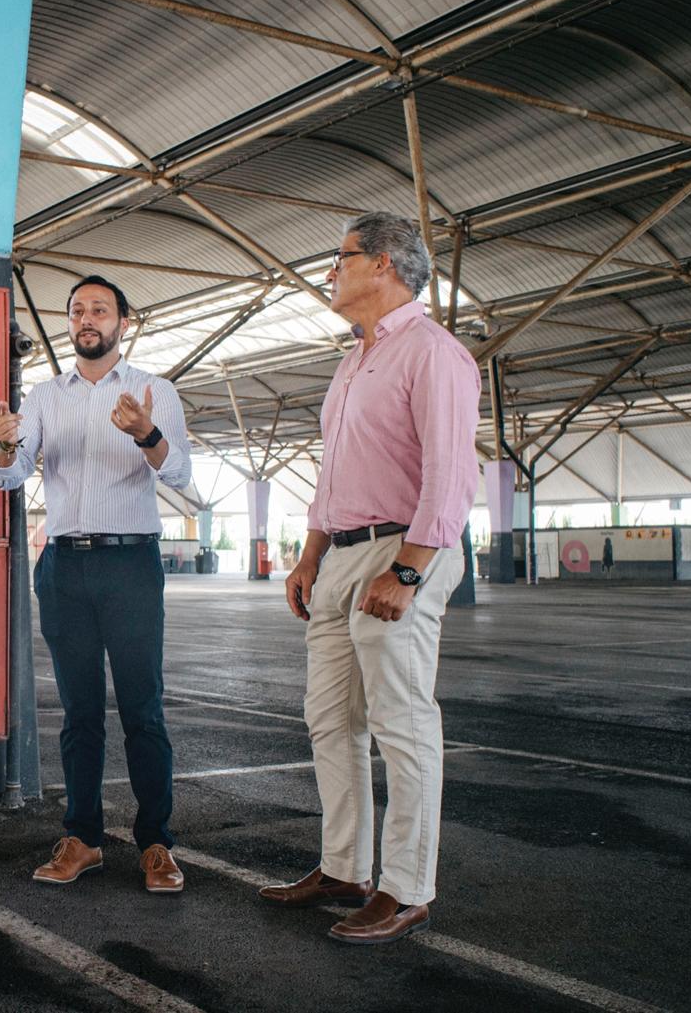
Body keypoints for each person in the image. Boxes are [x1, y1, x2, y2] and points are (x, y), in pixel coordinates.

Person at [262, 212, 480, 944]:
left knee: (401, 720)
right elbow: (333, 475)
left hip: (402, 551)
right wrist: (309, 553)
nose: (332, 271)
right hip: (342, 553)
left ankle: (407, 886)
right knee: (330, 717)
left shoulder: (434, 354)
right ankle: (344, 865)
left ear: (383, 263)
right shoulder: (353, 361)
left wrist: (410, 569)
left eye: (341, 258)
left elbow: (451, 474)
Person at [0, 275, 194, 893]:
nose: (86, 318)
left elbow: (180, 470)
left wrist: (144, 434)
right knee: (79, 713)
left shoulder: (156, 392)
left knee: (142, 709)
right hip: (65, 566)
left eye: (99, 309)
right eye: (77, 310)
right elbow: (10, 476)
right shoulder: (46, 397)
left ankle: (156, 842)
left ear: (123, 323)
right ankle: (84, 838)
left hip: (131, 564)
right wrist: (2, 448)